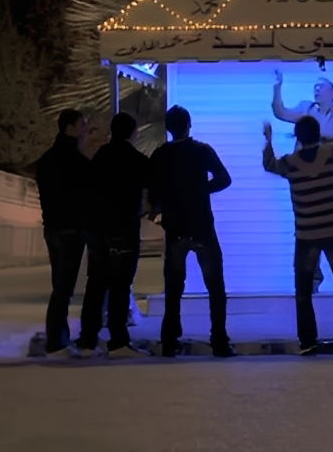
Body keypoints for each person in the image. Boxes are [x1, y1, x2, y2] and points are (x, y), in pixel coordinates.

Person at [262, 116, 333, 356]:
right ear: (318, 134)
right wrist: (317, 137)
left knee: (304, 292)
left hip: (307, 234)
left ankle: (308, 342)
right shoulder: (331, 152)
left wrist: (269, 140)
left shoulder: (290, 163)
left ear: (298, 137)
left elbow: (269, 165)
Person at [272, 72, 333, 293]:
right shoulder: (306, 109)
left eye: (321, 86)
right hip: (307, 184)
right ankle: (313, 279)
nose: (316, 90)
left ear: (332, 92)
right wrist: (278, 86)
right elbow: (280, 112)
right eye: (315, 87)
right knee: (308, 231)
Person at [149, 105, 236, 357]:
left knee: (174, 287)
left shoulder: (160, 154)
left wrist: (161, 205)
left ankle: (169, 340)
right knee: (215, 286)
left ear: (168, 128)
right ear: (189, 125)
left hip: (175, 227)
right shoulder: (202, 150)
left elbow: (153, 190)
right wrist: (201, 190)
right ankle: (219, 341)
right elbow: (224, 179)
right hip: (202, 226)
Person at [78, 113, 150, 359]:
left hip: (98, 229)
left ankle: (88, 340)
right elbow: (153, 184)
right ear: (133, 132)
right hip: (125, 230)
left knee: (96, 285)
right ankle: (118, 341)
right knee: (120, 285)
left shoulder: (100, 157)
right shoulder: (137, 160)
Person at [34, 109, 92, 358]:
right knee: (63, 289)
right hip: (71, 229)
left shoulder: (47, 159)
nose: (85, 130)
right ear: (69, 128)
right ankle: (56, 341)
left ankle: (59, 336)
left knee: (59, 285)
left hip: (52, 228)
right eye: (81, 125)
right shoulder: (76, 161)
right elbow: (87, 195)